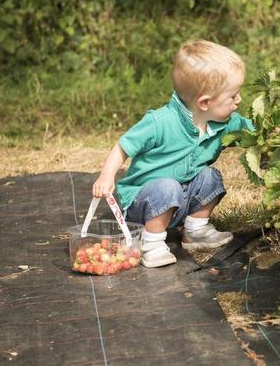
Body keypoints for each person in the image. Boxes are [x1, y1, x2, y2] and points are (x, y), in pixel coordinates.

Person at [92, 40, 254, 268]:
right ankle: (151, 243)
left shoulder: (224, 122)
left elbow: (253, 132)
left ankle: (195, 230)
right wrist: (106, 176)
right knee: (168, 186)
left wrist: (272, 135)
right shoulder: (161, 122)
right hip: (144, 203)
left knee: (210, 177)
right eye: (233, 96)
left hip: (181, 200)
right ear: (205, 102)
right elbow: (123, 146)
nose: (239, 101)